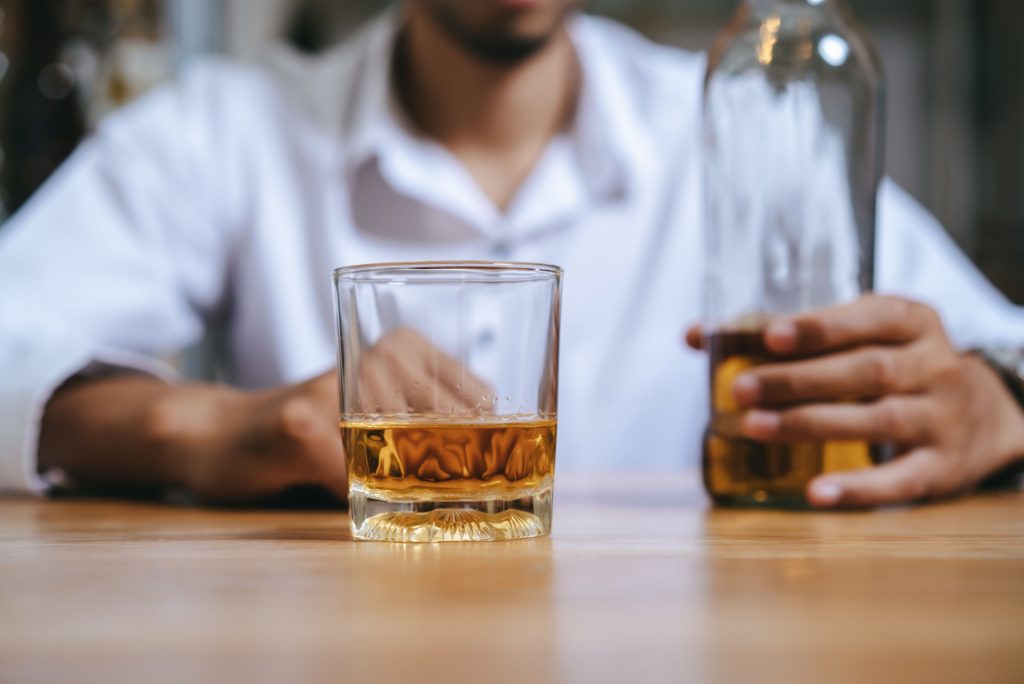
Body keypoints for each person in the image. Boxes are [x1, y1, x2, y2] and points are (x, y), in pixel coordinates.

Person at [1, 0, 1022, 507]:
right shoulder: (223, 131)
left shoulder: (742, 117)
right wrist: (214, 426)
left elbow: (999, 349)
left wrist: (994, 400)